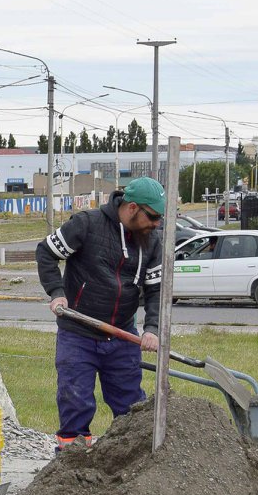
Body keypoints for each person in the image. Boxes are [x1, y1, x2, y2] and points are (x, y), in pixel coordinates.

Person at [35, 177, 165, 449]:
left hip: (121, 335)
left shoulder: (151, 242)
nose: (156, 224)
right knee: (76, 400)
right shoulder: (87, 224)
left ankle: (131, 461)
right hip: (79, 333)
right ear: (132, 208)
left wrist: (152, 328)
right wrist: (57, 292)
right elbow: (46, 252)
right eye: (152, 217)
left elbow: (155, 290)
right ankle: (72, 458)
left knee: (131, 406)